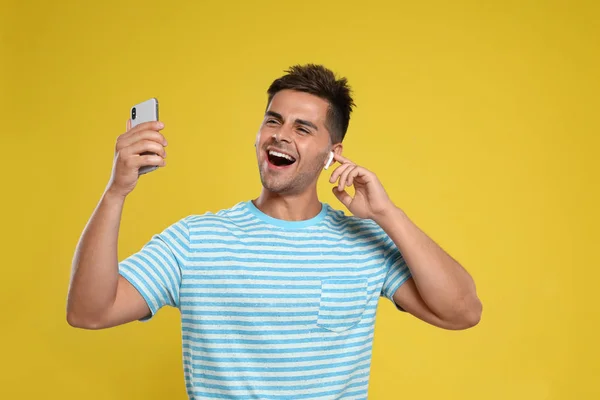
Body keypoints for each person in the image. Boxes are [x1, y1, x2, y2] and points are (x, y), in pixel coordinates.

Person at [67, 64, 482, 399]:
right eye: (273, 121)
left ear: (332, 154)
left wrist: (388, 215)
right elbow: (89, 312)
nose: (281, 135)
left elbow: (462, 312)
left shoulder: (364, 243)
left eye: (303, 128)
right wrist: (117, 191)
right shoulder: (195, 240)